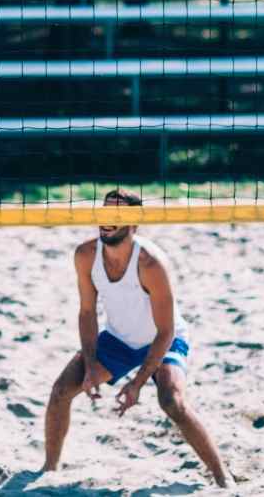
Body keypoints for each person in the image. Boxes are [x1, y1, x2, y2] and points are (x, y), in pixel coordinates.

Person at [42, 189, 228, 488]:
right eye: (104, 211)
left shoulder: (150, 264)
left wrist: (137, 383)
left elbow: (165, 331)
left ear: (134, 223)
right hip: (119, 339)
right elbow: (87, 312)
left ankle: (222, 476)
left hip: (163, 338)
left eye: (117, 213)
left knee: (172, 402)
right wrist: (90, 366)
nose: (107, 218)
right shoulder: (86, 255)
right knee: (61, 391)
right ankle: (48, 470)